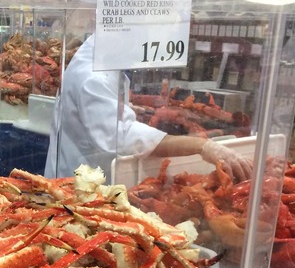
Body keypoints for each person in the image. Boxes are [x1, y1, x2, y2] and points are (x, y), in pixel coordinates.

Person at [44, 34, 253, 181]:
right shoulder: (93, 77)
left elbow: (101, 113)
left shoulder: (101, 58)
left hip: (92, 176)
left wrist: (125, 107)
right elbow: (124, 137)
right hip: (79, 185)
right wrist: (201, 146)